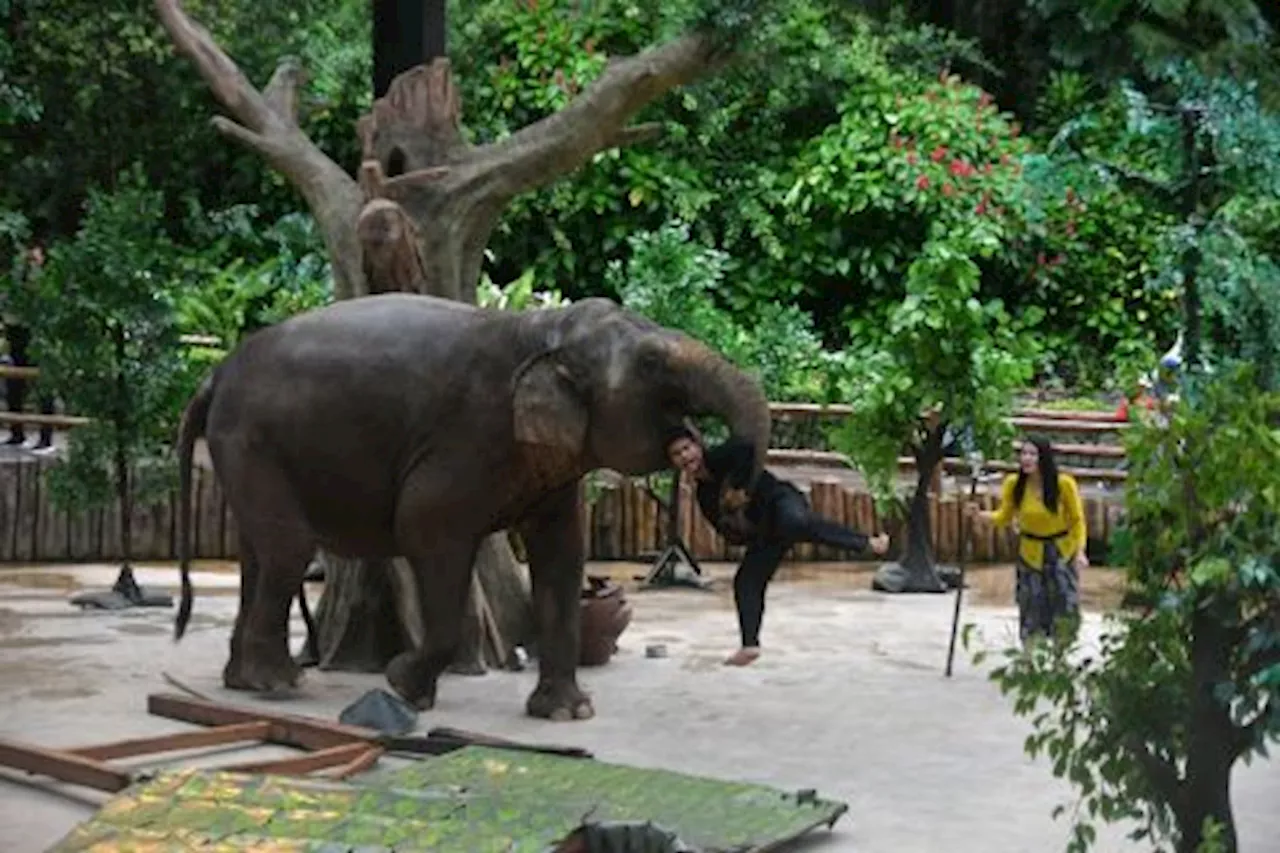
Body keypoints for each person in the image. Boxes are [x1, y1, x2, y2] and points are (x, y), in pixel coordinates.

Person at [665, 423, 890, 666]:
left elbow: (746, 447)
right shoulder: (704, 494)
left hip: (782, 500)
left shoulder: (720, 456)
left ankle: (867, 544)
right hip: (765, 529)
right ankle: (749, 646)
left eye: (687, 448)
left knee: (793, 522)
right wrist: (736, 519)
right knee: (746, 580)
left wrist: (738, 486)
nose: (685, 456)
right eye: (677, 454)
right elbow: (725, 531)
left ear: (698, 446)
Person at [965, 436, 1088, 646]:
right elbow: (1004, 516)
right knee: (1030, 602)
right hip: (1030, 552)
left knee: (1063, 603)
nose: (1027, 459)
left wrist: (1079, 551)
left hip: (1060, 551)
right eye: (1023, 454)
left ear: (1043, 458)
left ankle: (1061, 654)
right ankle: (1029, 656)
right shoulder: (1014, 484)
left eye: (1032, 454)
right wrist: (979, 515)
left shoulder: (1063, 484)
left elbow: (1077, 521)